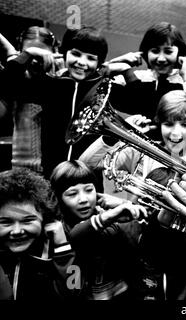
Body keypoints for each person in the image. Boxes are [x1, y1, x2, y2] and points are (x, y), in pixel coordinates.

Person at [1, 26, 110, 178]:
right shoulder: (48, 85)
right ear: (65, 54)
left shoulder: (102, 87)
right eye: (76, 54)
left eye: (90, 58)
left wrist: (123, 71)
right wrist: (27, 54)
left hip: (87, 180)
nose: (82, 62)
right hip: (47, 176)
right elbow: (6, 83)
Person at [50, 160, 153, 300]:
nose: (83, 199)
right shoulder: (59, 231)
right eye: (72, 194)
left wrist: (124, 204)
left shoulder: (108, 218)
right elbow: (78, 235)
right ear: (59, 199)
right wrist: (111, 214)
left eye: (88, 190)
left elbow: (142, 245)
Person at [0, 168, 75, 300]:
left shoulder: (61, 244)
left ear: (45, 218)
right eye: (6, 222)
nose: (17, 231)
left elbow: (76, 288)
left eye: (28, 220)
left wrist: (63, 249)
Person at [106, 21, 186, 119]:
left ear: (180, 54)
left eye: (168, 52)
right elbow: (92, 87)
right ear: (145, 52)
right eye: (155, 51)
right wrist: (115, 62)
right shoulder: (133, 79)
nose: (161, 59)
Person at [6, 26, 61, 173]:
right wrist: (25, 55)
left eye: (41, 54)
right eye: (30, 53)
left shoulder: (61, 79)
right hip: (20, 167)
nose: (35, 60)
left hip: (53, 168)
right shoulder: (16, 79)